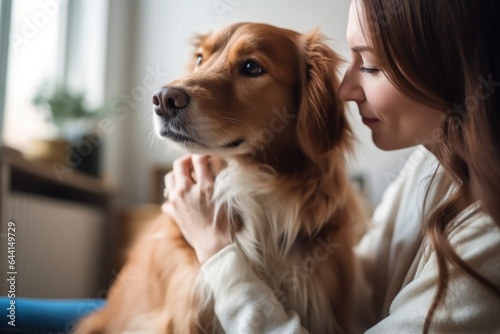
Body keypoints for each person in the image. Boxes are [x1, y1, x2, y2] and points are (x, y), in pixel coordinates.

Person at [162, 0, 500, 333]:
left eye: (370, 65)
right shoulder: (433, 162)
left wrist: (218, 254)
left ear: (449, 69)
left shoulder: (490, 233)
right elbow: (364, 294)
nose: (345, 90)